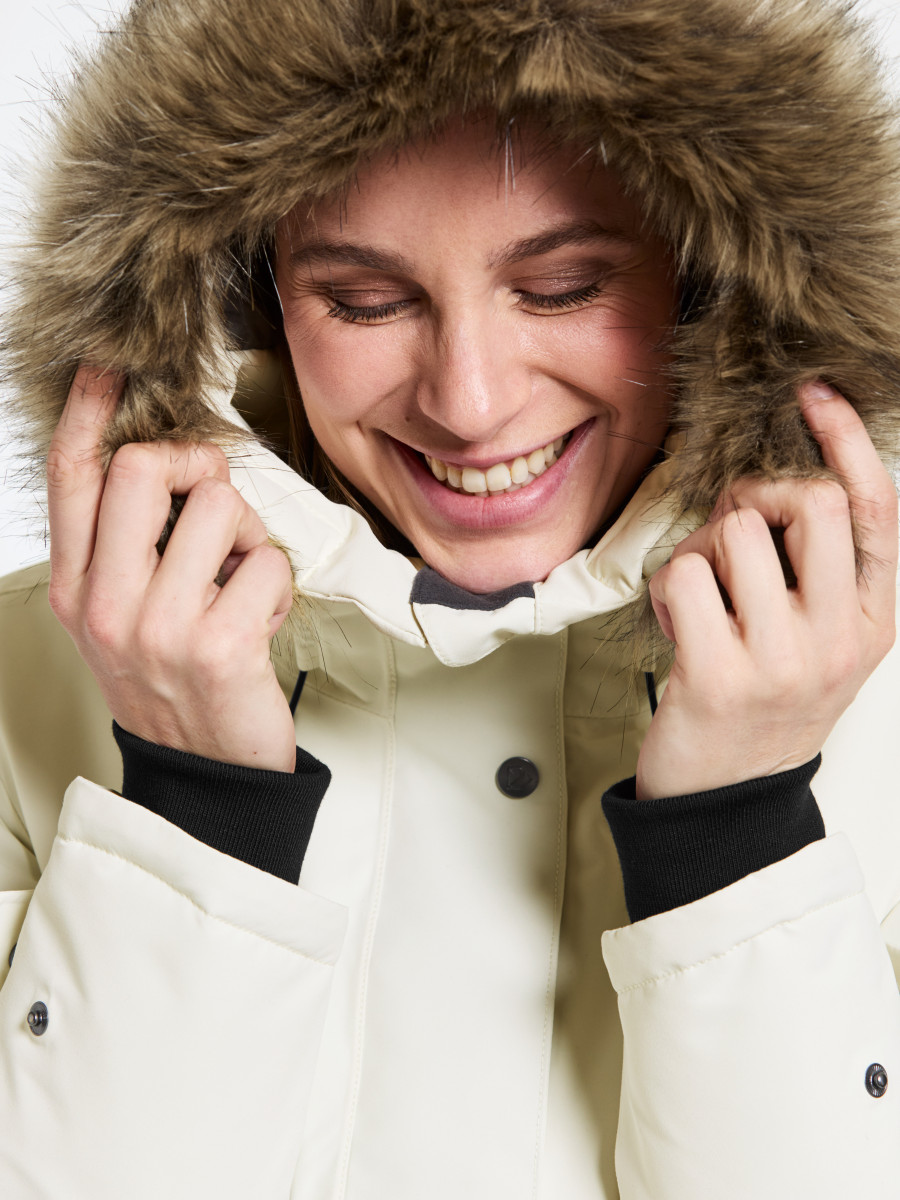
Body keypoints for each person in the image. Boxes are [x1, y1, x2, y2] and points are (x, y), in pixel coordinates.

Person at [0, 0, 898, 1195]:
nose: (469, 404)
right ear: (247, 299)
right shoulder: (23, 679)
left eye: (564, 286)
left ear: (713, 286)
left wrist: (739, 833)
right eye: (364, 300)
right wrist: (199, 815)